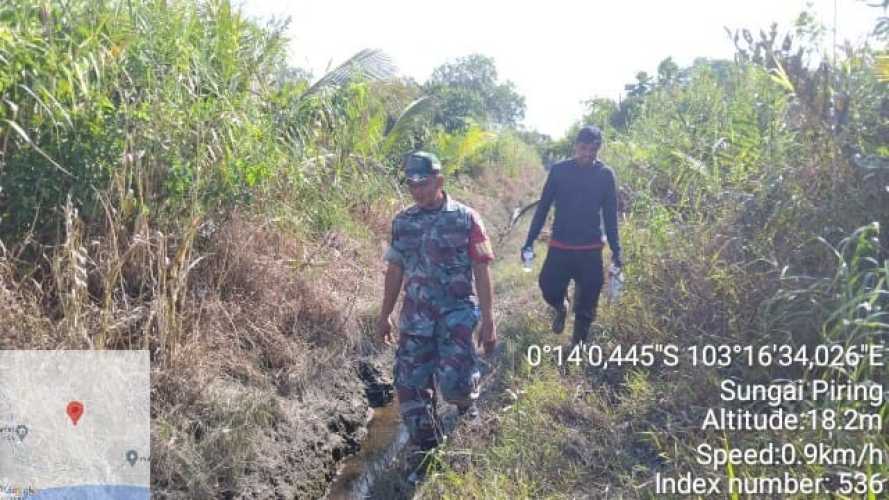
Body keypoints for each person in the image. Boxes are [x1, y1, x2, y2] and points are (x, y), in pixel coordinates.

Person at [376, 151, 496, 454]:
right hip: (415, 320)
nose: (416, 189)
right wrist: (384, 314)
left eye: (423, 182)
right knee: (411, 392)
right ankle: (427, 451)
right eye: (411, 183)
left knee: (456, 386)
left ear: (439, 180)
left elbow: (481, 269)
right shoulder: (403, 222)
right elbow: (395, 269)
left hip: (455, 318)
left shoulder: (466, 218)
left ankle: (467, 412)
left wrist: (489, 320)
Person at [521, 125, 622, 345]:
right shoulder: (559, 171)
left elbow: (610, 216)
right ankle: (561, 306)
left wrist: (617, 251)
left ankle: (577, 348)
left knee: (588, 305)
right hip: (560, 246)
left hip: (590, 250)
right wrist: (528, 241)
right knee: (548, 287)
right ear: (575, 146)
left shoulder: (605, 175)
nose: (587, 153)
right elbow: (543, 208)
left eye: (593, 149)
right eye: (583, 148)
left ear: (599, 149)